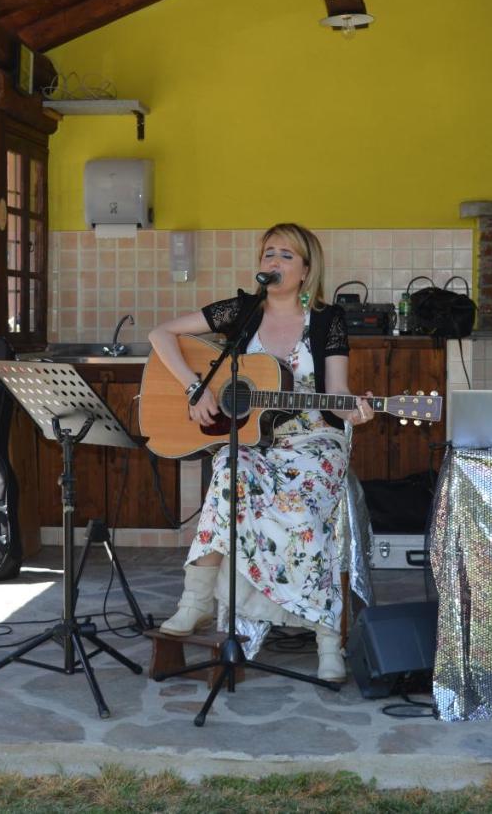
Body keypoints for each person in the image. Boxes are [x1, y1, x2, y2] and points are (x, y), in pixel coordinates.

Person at [147, 223, 374, 683]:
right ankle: (195, 602)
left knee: (305, 514)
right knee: (228, 470)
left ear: (307, 269)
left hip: (314, 441)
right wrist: (196, 389)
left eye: (286, 255)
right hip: (254, 441)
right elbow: (161, 334)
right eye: (268, 253)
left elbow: (337, 391)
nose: (273, 262)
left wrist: (354, 410)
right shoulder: (243, 311)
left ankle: (326, 637)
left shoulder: (328, 321)